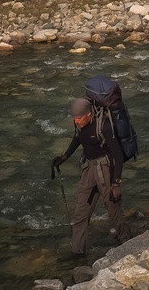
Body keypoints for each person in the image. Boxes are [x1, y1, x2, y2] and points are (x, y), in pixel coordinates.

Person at [53, 97, 132, 255]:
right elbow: (78, 139)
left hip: (105, 171)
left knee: (113, 208)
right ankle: (77, 252)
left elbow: (117, 155)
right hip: (88, 170)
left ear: (89, 115)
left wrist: (116, 183)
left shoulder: (104, 126)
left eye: (79, 118)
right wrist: (64, 157)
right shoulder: (81, 125)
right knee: (81, 212)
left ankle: (128, 242)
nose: (76, 122)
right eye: (74, 118)